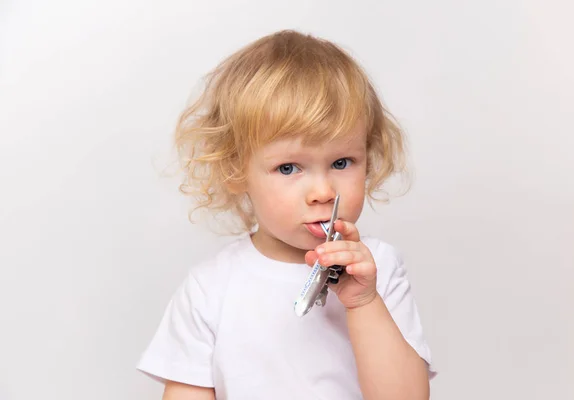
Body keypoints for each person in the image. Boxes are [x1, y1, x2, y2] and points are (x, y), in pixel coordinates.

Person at [137, 29, 436, 400]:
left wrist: (363, 302)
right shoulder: (210, 288)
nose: (323, 192)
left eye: (342, 162)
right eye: (289, 168)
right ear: (235, 170)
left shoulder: (378, 269)